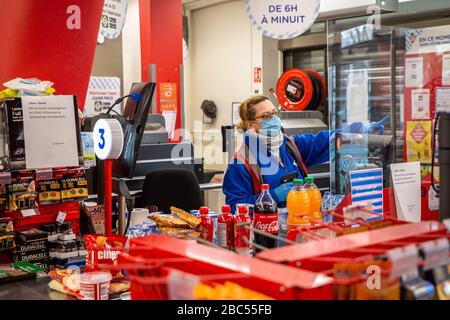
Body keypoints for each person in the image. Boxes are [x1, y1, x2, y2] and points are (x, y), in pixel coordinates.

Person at [222, 95, 388, 212]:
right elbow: (235, 207)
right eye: (266, 116)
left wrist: (356, 130)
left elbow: (323, 140)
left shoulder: (289, 146)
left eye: (275, 113)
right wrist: (273, 195)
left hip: (300, 225)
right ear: (251, 125)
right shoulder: (241, 162)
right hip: (268, 235)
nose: (274, 119)